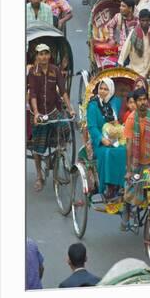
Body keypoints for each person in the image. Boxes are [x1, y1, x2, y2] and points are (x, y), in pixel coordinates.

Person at [28, 44, 76, 192]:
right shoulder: (32, 72)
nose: (43, 57)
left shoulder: (55, 71)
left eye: (45, 54)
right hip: (39, 112)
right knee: (38, 146)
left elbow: (63, 92)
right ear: (36, 56)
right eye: (40, 54)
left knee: (65, 127)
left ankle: (58, 152)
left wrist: (71, 108)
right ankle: (39, 176)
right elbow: (33, 94)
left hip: (53, 109)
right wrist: (36, 113)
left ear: (49, 55)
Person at [86, 78, 127, 198]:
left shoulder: (116, 103)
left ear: (111, 90)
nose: (103, 92)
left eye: (106, 89)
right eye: (101, 89)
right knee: (108, 152)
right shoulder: (93, 105)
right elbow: (92, 127)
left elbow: (121, 119)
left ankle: (121, 184)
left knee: (124, 150)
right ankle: (109, 186)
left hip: (116, 137)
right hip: (99, 141)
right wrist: (101, 139)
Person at [124, 87, 150, 177]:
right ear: (135, 102)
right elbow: (129, 145)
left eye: (144, 99)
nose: (142, 102)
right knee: (133, 189)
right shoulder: (130, 119)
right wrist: (128, 170)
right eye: (139, 100)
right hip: (137, 162)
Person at [118, 9, 150, 77]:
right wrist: (121, 62)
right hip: (134, 69)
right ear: (139, 20)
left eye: (147, 20)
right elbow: (126, 48)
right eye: (143, 20)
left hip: (148, 69)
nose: (145, 23)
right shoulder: (133, 33)